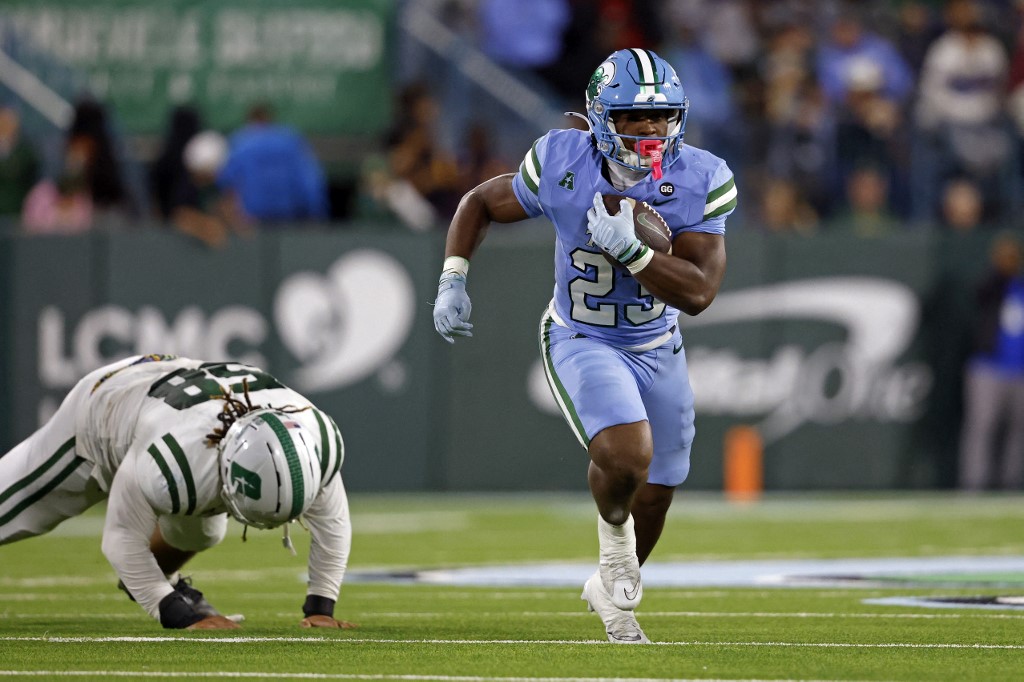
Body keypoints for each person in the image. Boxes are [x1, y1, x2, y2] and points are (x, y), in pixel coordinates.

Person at [432, 48, 734, 644]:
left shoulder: (701, 175)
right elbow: (479, 202)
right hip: (582, 335)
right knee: (628, 455)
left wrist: (635, 254)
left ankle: (611, 593)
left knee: (659, 491)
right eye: (633, 118)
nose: (651, 130)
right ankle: (614, 546)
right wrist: (453, 277)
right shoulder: (561, 161)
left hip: (659, 343)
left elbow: (699, 293)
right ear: (600, 118)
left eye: (663, 116)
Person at [0, 355, 353, 631]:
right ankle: (163, 587)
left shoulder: (311, 438)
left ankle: (163, 578)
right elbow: (121, 538)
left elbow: (332, 522)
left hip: (172, 382)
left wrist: (321, 608)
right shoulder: (174, 464)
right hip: (105, 409)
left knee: (206, 530)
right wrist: (178, 615)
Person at [958, 234, 1024, 491]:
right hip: (987, 368)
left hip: (1019, 370)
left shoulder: (1020, 287)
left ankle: (1012, 483)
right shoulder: (991, 286)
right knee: (981, 427)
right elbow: (981, 292)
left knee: (1019, 432)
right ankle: (973, 485)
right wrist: (1000, 272)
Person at [217, 103, 329, 225]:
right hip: (289, 214)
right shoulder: (290, 140)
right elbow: (310, 181)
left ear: (249, 120)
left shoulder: (239, 142)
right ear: (270, 118)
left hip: (252, 218)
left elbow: (226, 182)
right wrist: (316, 213)